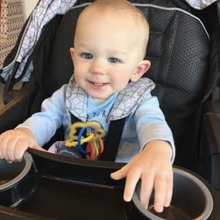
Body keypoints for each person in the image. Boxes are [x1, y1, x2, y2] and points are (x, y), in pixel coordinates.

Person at [0, 0, 175, 213]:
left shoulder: (140, 99)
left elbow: (152, 123)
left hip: (122, 179)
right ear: (74, 57)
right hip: (69, 175)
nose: (98, 68)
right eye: (87, 55)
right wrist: (26, 132)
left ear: (137, 70)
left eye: (113, 59)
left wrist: (157, 149)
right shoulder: (68, 93)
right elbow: (47, 117)